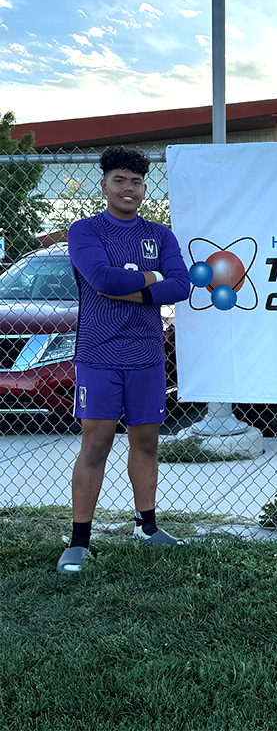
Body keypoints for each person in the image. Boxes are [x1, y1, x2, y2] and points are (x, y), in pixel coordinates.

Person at [57, 146, 190, 574]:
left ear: (144, 188)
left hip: (146, 356)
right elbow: (100, 278)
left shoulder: (161, 235)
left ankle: (146, 527)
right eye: (120, 180)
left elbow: (182, 286)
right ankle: (79, 541)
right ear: (104, 185)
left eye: (135, 182)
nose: (128, 189)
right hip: (99, 355)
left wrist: (131, 285)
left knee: (146, 442)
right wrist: (153, 279)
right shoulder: (85, 231)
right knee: (96, 444)